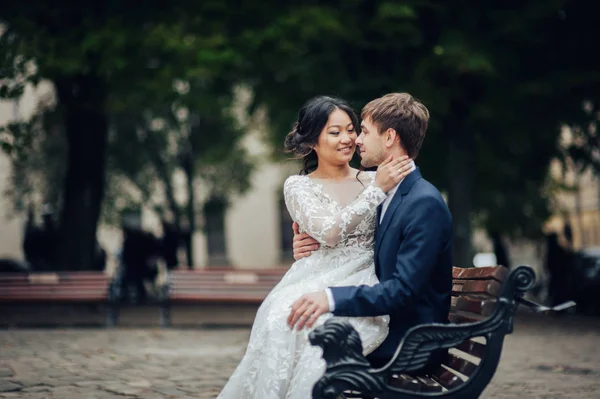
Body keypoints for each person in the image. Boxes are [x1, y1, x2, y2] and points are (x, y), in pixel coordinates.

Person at [217, 96, 413, 399]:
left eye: (351, 130)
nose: (347, 139)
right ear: (313, 141)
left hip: (361, 278)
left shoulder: (377, 178)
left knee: (319, 329)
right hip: (314, 274)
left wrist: (376, 187)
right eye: (334, 132)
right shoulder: (299, 186)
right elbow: (330, 232)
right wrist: (375, 191)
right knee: (281, 318)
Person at [288, 92, 453, 370]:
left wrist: (330, 298)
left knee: (309, 342)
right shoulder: (388, 189)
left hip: (410, 339)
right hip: (390, 322)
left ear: (389, 138)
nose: (356, 140)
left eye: (362, 131)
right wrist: (308, 243)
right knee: (293, 329)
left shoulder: (423, 202)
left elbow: (403, 290)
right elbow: (352, 233)